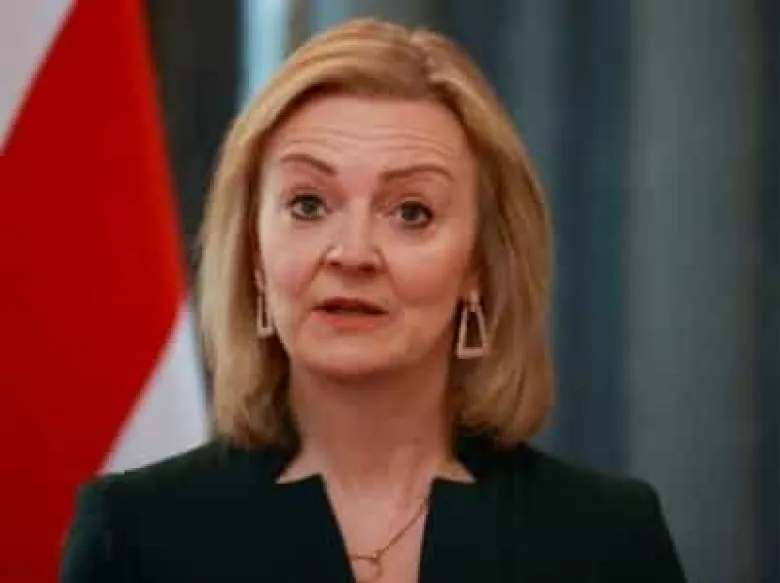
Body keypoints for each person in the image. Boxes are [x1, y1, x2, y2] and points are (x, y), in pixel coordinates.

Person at [61, 17, 687, 583]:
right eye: (309, 204)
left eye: (411, 212)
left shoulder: (606, 538)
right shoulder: (134, 535)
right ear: (253, 253)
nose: (353, 253)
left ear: (478, 264)